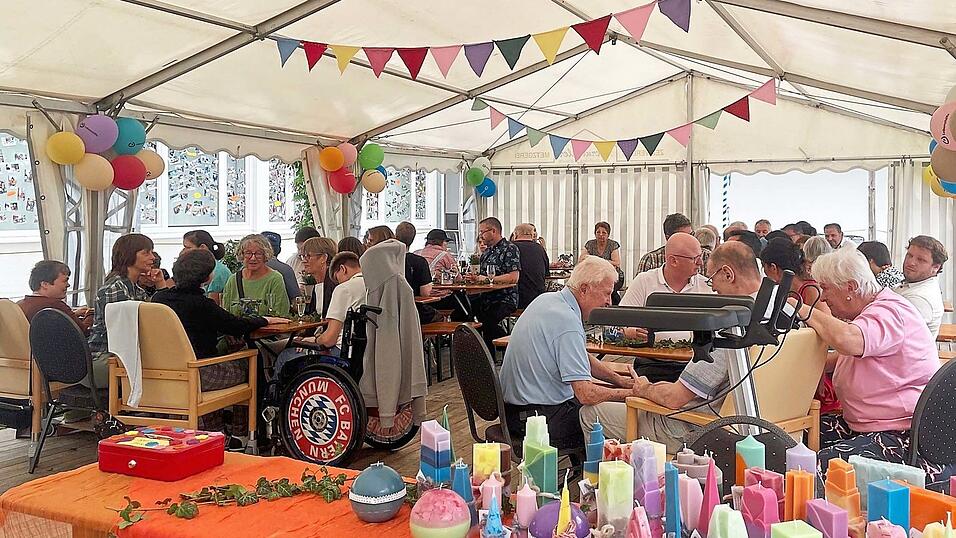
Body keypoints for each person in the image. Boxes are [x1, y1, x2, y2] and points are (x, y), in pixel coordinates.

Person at [789, 248, 948, 489]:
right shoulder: (873, 310)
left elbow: (850, 341)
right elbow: (849, 356)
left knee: (813, 471)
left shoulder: (890, 311)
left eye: (827, 289)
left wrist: (804, 310)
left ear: (851, 288)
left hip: (900, 434)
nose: (823, 298)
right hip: (864, 424)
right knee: (789, 443)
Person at [580, 242, 762, 448]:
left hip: (692, 428)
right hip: (758, 425)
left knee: (590, 413)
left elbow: (674, 399)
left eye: (712, 280)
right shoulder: (776, 316)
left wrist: (644, 388)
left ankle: (609, 478)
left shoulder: (732, 330)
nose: (714, 289)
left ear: (728, 274)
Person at [499, 256, 638, 449]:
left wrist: (620, 380)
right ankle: (601, 475)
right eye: (606, 294)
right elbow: (586, 394)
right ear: (584, 289)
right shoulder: (567, 321)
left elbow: (579, 355)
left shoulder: (548, 300)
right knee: (624, 420)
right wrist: (633, 394)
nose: (609, 302)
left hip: (515, 412)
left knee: (608, 407)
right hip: (537, 421)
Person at [152, 250, 285, 438]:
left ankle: (218, 431)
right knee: (250, 365)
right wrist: (264, 320)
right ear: (207, 277)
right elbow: (236, 326)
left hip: (165, 375)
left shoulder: (159, 300)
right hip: (201, 374)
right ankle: (243, 434)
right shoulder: (203, 305)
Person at [621, 232, 712, 382]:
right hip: (652, 365)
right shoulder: (644, 281)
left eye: (700, 256)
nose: (700, 263)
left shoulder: (706, 286)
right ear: (673, 260)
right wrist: (630, 331)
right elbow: (618, 322)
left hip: (696, 366)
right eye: (694, 259)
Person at [87, 234, 168, 388]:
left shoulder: (133, 287)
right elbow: (127, 335)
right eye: (146, 253)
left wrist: (160, 284)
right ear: (129, 256)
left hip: (119, 357)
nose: (152, 258)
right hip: (105, 359)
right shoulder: (115, 288)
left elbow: (157, 317)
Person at [465, 217, 520, 352]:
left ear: (493, 231)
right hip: (485, 298)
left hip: (504, 298)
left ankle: (511, 348)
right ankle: (476, 352)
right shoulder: (486, 252)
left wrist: (488, 279)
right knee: (463, 313)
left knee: (487, 321)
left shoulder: (510, 249)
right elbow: (482, 277)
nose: (481, 236)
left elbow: (514, 278)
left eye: (483, 232)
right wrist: (475, 279)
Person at [222, 234, 291, 316]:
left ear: (266, 255)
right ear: (241, 255)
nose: (253, 258)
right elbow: (225, 314)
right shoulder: (233, 280)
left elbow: (281, 314)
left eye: (258, 253)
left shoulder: (275, 279)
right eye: (248, 253)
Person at [18, 260, 92, 334]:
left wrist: (74, 314)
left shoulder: (20, 305)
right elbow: (84, 331)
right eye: (65, 281)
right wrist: (90, 313)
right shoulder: (55, 305)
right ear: (45, 284)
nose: (68, 285)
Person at [896, 235, 947, 337]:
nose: (911, 262)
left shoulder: (919, 299)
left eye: (921, 260)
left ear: (935, 267)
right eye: (909, 255)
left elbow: (890, 336)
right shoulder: (914, 284)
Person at [760, 237, 823, 310]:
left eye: (764, 266)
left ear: (773, 267)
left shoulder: (811, 290)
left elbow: (826, 320)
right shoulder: (787, 290)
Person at [636, 213, 709, 276]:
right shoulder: (650, 260)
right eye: (683, 236)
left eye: (691, 234)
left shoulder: (706, 257)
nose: (690, 239)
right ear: (668, 238)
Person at [396, 221, 437, 324]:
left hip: (392, 311)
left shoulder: (388, 260)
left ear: (395, 236)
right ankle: (427, 339)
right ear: (413, 239)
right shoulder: (419, 262)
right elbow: (425, 293)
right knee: (439, 317)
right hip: (416, 311)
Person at [182, 230, 231, 304]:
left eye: (188, 248)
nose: (184, 252)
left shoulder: (218, 271)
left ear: (202, 247)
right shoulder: (199, 268)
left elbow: (213, 304)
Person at [581, 221, 624, 304]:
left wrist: (595, 260)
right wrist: (604, 262)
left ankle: (617, 307)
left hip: (614, 276)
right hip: (595, 276)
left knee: (610, 291)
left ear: (608, 234)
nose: (601, 235)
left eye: (604, 233)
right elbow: (582, 259)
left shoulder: (612, 245)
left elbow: (616, 263)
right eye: (598, 232)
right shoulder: (590, 244)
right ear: (595, 234)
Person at [513, 223, 549, 309]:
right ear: (532, 234)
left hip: (517, 299)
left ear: (515, 234)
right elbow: (546, 274)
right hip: (538, 298)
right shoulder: (540, 249)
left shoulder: (511, 247)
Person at [299, 237, 338, 317]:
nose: (304, 260)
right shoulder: (318, 283)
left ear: (324, 258)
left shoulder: (334, 284)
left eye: (308, 256)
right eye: (303, 256)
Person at [261, 231, 302, 303]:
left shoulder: (243, 270)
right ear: (279, 250)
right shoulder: (285, 269)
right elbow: (296, 301)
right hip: (278, 313)